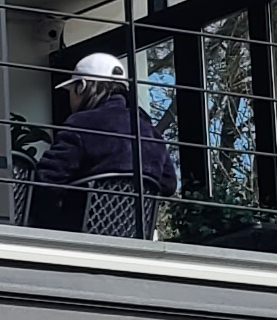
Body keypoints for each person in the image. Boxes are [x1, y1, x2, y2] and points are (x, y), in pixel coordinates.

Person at [26, 51, 175, 233]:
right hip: (134, 233)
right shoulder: (149, 131)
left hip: (81, 233)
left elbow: (47, 179)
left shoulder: (81, 123)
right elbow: (168, 185)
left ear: (82, 87)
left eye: (71, 91)